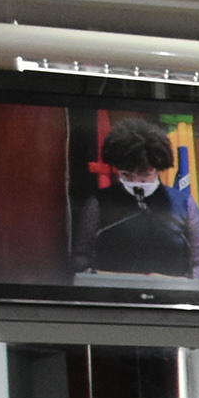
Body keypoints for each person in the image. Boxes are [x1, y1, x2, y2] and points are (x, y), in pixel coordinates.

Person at [79, 117, 191, 279]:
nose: (135, 181)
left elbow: (198, 265)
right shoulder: (98, 202)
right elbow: (81, 259)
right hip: (113, 297)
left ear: (158, 168)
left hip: (170, 299)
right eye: (126, 174)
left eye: (144, 174)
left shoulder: (183, 203)